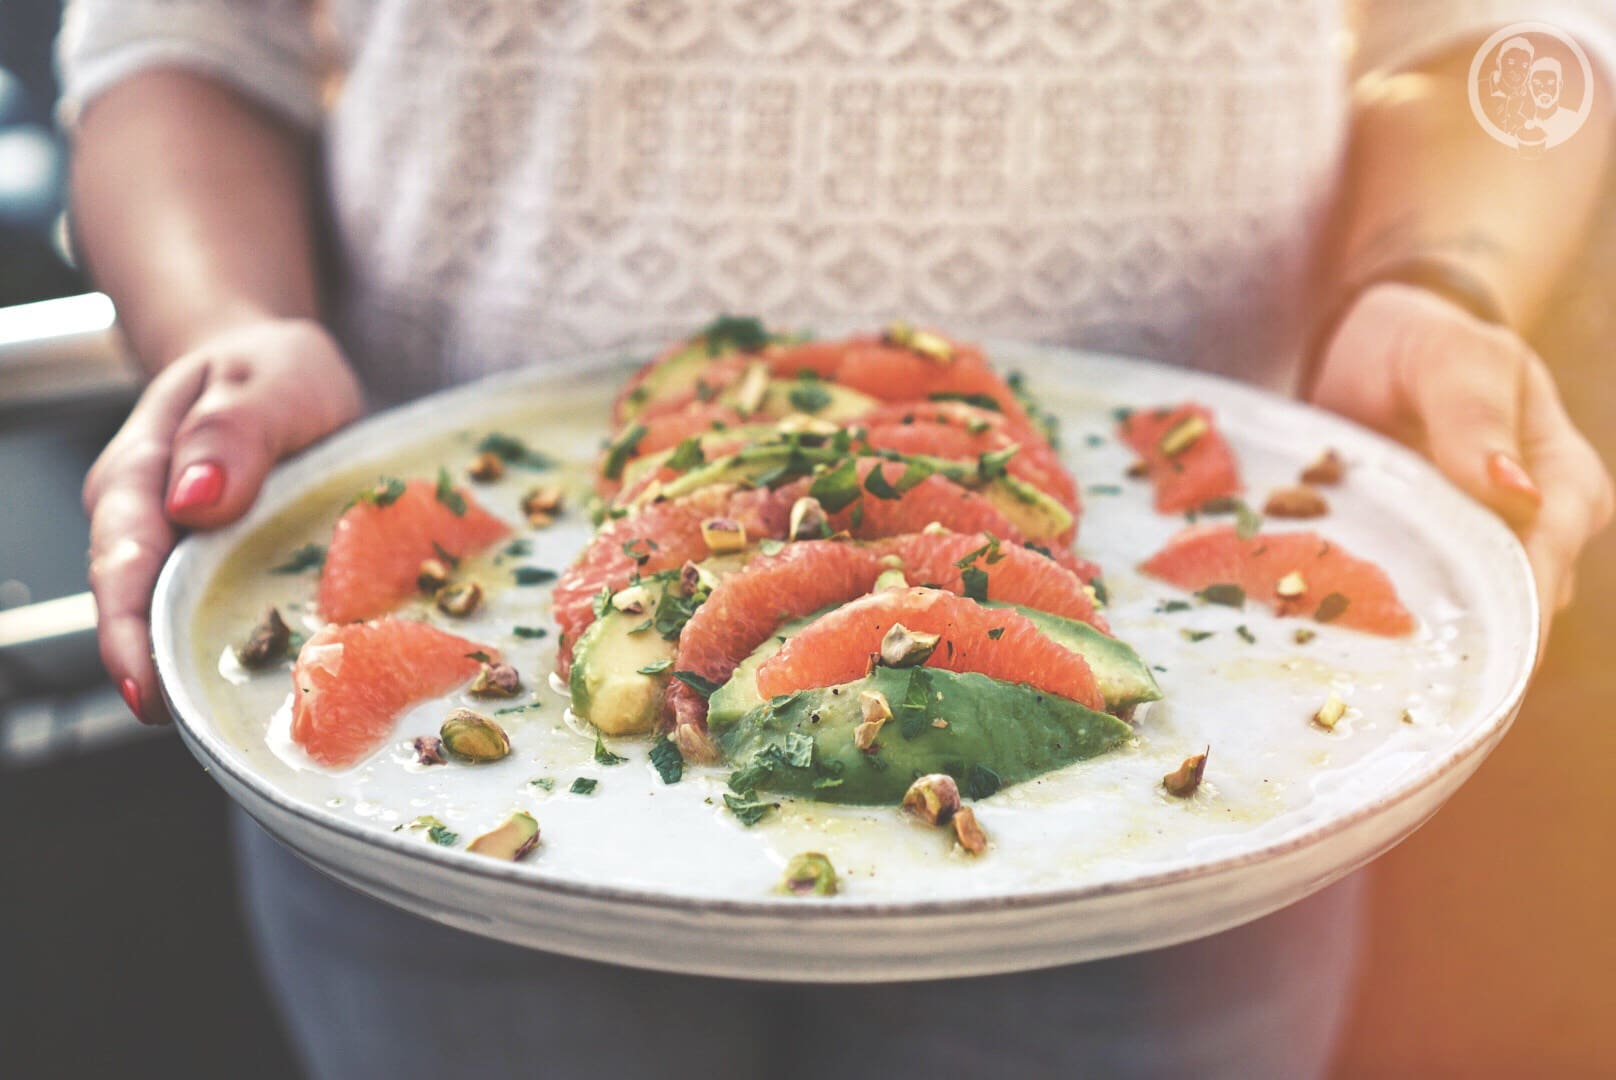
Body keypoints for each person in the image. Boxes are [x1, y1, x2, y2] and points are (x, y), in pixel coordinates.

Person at [59, 1, 1616, 1077]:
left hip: (1189, 710)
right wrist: (229, 328)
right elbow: (179, 34)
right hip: (450, 684)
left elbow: (1516, 35)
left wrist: (1442, 275)